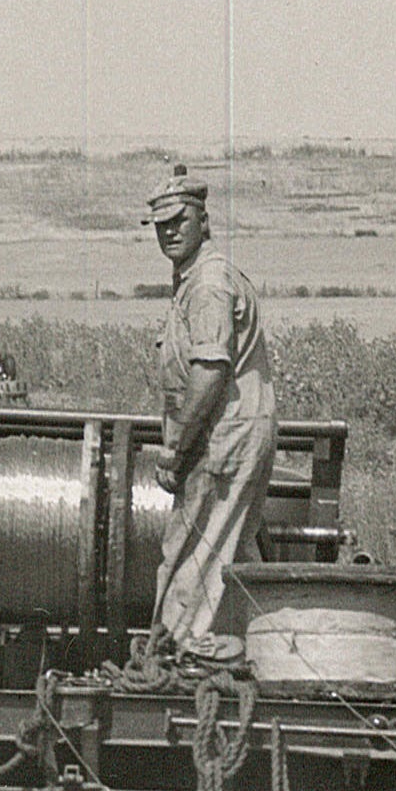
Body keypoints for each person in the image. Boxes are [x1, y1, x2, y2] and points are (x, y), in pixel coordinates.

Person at [148, 169, 277, 666]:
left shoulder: (208, 283)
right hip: (231, 435)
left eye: (180, 220)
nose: (170, 232)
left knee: (192, 558)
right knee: (226, 556)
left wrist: (175, 448)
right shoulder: (195, 281)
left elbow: (208, 373)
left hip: (222, 440)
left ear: (204, 219)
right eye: (161, 226)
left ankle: (186, 662)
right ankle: (245, 653)